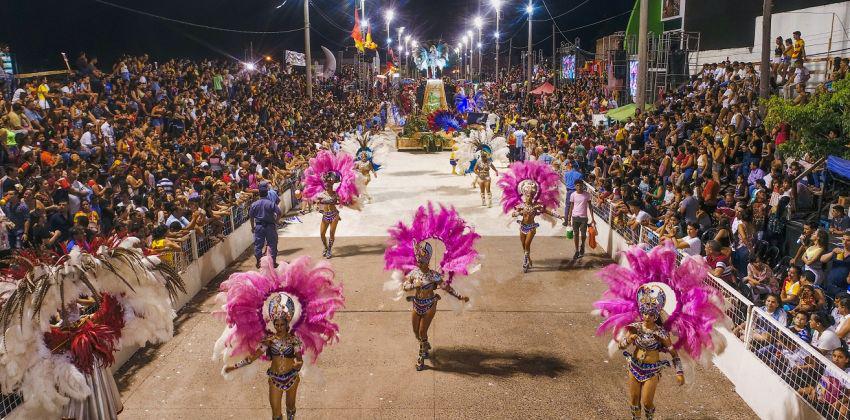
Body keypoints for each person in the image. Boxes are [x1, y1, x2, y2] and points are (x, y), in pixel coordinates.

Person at [216, 257, 344, 420]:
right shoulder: (268, 341)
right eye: (276, 323)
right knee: (276, 414)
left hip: (292, 377)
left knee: (291, 408)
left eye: (282, 323)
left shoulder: (294, 340)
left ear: (287, 323)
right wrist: (234, 367)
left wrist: (298, 365)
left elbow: (299, 359)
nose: (279, 326)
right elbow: (252, 358)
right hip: (275, 379)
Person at [617, 284, 684, 420]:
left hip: (651, 370)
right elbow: (621, 346)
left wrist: (679, 372)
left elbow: (674, 354)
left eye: (651, 314)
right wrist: (629, 340)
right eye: (645, 313)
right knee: (634, 400)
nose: (647, 316)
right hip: (634, 366)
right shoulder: (634, 328)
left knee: (647, 402)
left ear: (656, 315)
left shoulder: (661, 333)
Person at [249, 182, 280, 268]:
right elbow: (279, 213)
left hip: (259, 227)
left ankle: (259, 262)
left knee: (258, 245)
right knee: (272, 244)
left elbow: (251, 217)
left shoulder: (254, 204)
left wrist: (252, 227)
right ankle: (273, 262)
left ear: (259, 193)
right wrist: (276, 221)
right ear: (267, 193)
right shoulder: (270, 203)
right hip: (270, 226)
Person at [567, 181, 595, 260]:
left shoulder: (587, 195)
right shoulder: (573, 195)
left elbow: (590, 206)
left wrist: (593, 218)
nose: (579, 187)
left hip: (584, 218)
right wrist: (569, 219)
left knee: (583, 235)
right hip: (575, 217)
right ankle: (576, 251)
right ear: (575, 186)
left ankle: (582, 245)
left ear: (583, 186)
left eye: (580, 185)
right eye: (577, 185)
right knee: (576, 234)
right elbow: (571, 206)